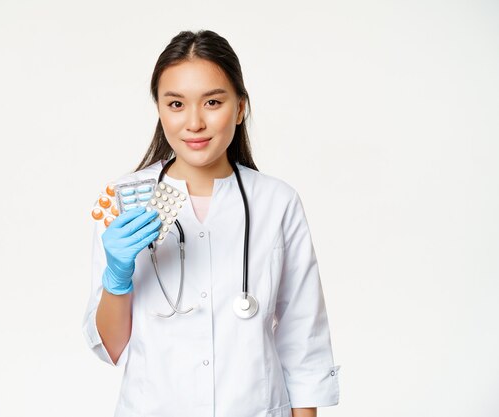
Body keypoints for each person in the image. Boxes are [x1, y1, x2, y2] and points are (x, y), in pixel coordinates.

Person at [82, 29, 340, 417]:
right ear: (160, 110)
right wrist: (116, 277)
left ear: (239, 108)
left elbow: (302, 339)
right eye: (176, 104)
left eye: (213, 102)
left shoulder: (276, 202)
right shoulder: (124, 201)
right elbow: (112, 347)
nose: (194, 122)